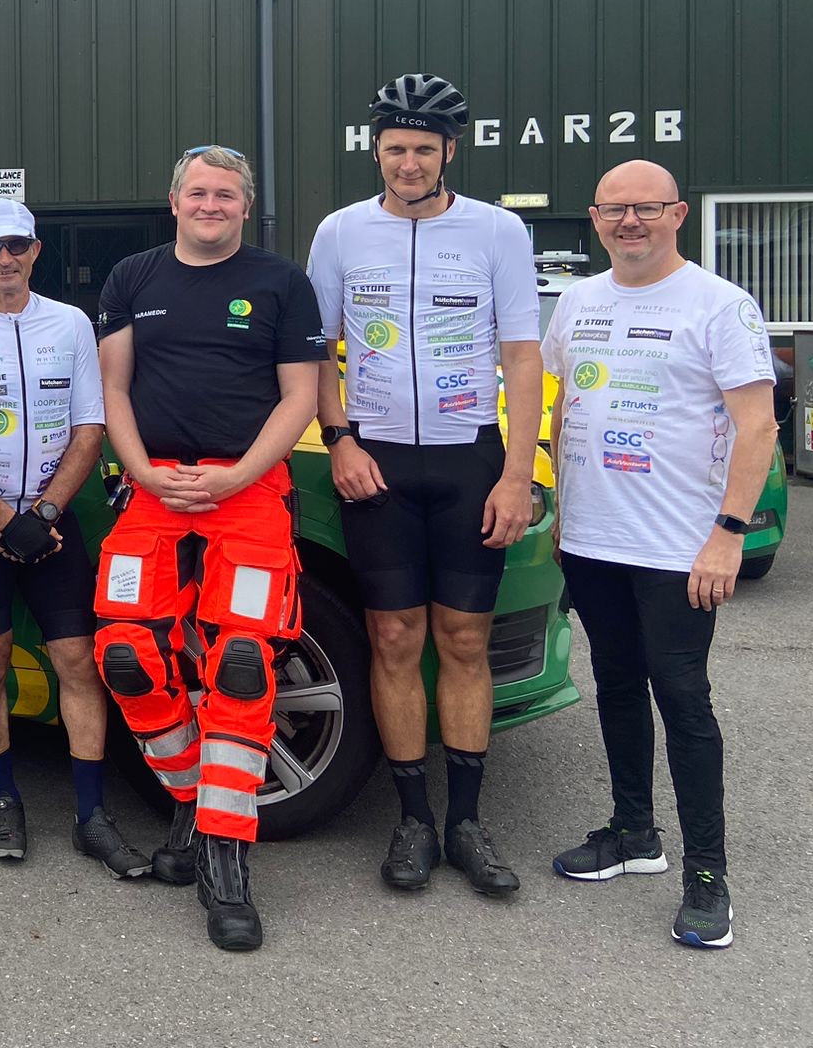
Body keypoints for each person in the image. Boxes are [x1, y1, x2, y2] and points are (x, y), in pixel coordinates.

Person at [306, 73, 542, 898]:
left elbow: (521, 357)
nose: (408, 163)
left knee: (465, 641)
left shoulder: (498, 231)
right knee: (394, 639)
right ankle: (412, 819)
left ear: (450, 151)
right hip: (378, 466)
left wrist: (518, 473)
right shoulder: (339, 232)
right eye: (394, 148)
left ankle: (468, 822)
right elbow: (317, 350)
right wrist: (337, 439)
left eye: (423, 149)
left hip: (468, 459)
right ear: (377, 150)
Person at [94, 147, 327, 951]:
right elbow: (113, 387)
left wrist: (235, 480)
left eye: (226, 194)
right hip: (152, 485)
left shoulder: (280, 281)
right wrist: (141, 472)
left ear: (244, 205)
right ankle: (194, 805)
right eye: (198, 191)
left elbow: (301, 394)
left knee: (241, 663)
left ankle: (226, 856)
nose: (210, 204)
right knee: (125, 653)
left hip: (249, 490)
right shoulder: (133, 277)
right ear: (174, 198)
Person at [544, 160, 776, 950]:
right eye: (614, 209)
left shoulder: (719, 304)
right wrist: (562, 516)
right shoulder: (577, 301)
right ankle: (634, 833)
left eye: (646, 208)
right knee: (614, 684)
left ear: (677, 213)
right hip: (592, 540)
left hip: (679, 545)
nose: (629, 221)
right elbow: (563, 402)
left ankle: (708, 873)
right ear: (595, 217)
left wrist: (728, 534)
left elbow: (759, 427)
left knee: (682, 697)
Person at [0, 198, 149, 878]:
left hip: (51, 522)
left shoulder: (70, 323)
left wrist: (41, 517)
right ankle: (4, 799)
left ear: (36, 250)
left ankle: (91, 815)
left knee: (78, 660)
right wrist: (1, 518)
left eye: (16, 244)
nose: (4, 258)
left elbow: (89, 427)